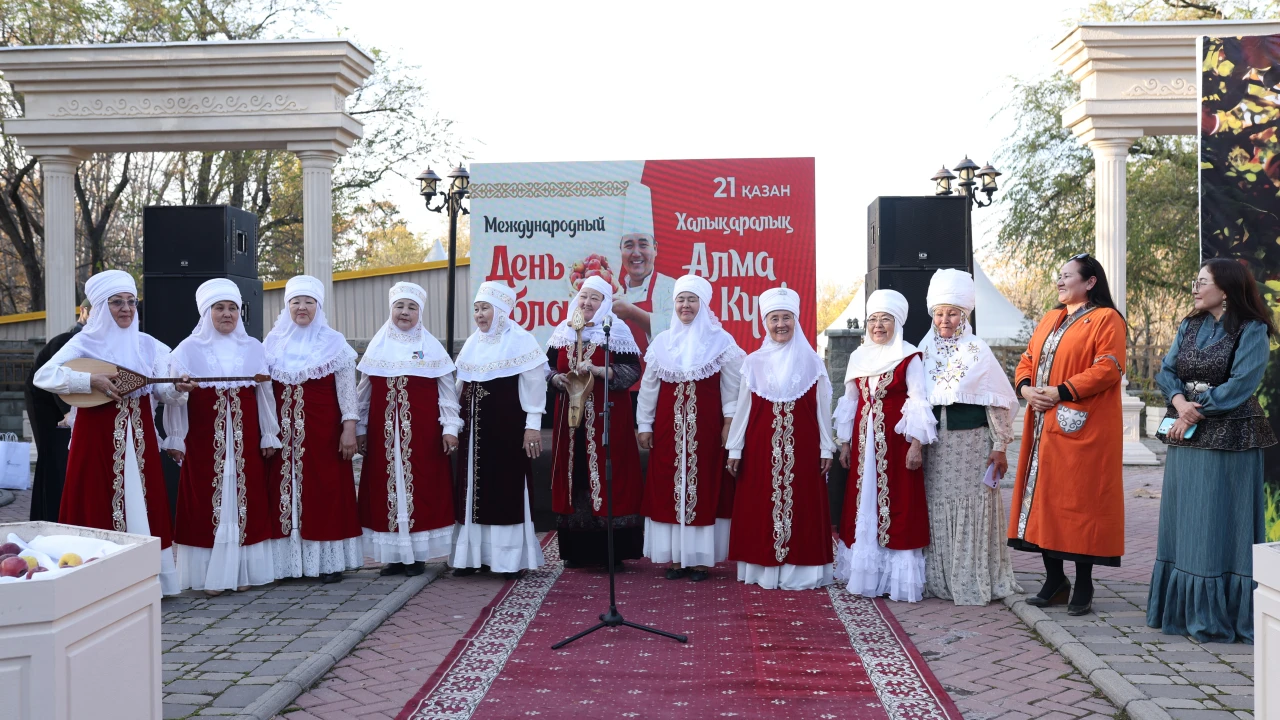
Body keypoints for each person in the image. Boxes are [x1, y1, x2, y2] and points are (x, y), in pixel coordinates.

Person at [1146, 258, 1277, 643]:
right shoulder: (1189, 325)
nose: (1195, 288)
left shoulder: (1252, 330)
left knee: (1219, 521)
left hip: (1232, 441)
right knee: (1185, 520)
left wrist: (1193, 411)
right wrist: (1178, 402)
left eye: (1203, 282)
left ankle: (1220, 615)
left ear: (1226, 288)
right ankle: (1183, 611)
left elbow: (1241, 384)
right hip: (1185, 440)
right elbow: (1167, 370)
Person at [33, 269, 181, 595]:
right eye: (117, 302)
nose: (126, 309)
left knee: (142, 502)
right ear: (100, 307)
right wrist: (88, 381)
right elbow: (43, 376)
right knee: (95, 497)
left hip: (139, 438)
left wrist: (179, 386)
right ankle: (97, 581)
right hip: (95, 437)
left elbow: (165, 391)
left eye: (131, 302)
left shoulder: (147, 345)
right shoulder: (85, 342)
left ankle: (147, 580)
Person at [1009, 253, 1127, 616]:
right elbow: (1028, 359)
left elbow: (1108, 368)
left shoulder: (1106, 319)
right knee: (1045, 498)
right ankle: (1055, 580)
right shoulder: (1049, 318)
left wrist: (1061, 391)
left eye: (1067, 276)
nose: (1059, 282)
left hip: (1083, 424)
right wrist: (1027, 389)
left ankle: (1085, 584)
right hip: (1044, 424)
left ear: (1090, 282)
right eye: (1058, 276)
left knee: (1080, 500)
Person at [163, 279, 280, 595]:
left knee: (245, 496)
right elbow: (175, 397)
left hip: (244, 437)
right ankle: (209, 575)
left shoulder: (254, 348)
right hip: (204, 438)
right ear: (206, 312)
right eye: (219, 308)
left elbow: (265, 395)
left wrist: (269, 433)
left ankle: (241, 571)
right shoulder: (187, 350)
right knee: (207, 497)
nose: (227, 314)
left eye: (232, 308)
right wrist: (175, 437)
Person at [917, 270, 1022, 605]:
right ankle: (941, 578)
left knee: (973, 509)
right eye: (940, 313)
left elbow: (998, 402)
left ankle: (971, 577)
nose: (945, 320)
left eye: (952, 313)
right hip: (938, 447)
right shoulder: (924, 349)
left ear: (964, 315)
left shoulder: (977, 350)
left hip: (973, 445)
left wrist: (1000, 446)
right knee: (938, 508)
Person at [725, 286, 835, 590]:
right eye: (774, 318)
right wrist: (735, 447)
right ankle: (763, 570)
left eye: (786, 318)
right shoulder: (753, 361)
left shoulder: (812, 361)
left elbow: (822, 407)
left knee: (803, 504)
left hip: (803, 444)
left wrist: (827, 445)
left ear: (796, 320)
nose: (780, 325)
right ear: (765, 322)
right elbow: (743, 408)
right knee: (760, 503)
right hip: (761, 446)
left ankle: (801, 572)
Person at [637, 275, 745, 581]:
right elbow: (649, 388)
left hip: (707, 430)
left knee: (704, 486)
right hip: (667, 431)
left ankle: (699, 561)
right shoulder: (662, 342)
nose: (686, 306)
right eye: (681, 300)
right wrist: (644, 424)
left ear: (704, 304)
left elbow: (732, 387)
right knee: (668, 486)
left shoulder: (721, 341)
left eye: (692, 299)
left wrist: (729, 422)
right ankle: (675, 558)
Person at [834, 289, 936, 602]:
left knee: (899, 503)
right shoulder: (858, 357)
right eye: (873, 320)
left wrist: (916, 444)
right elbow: (851, 401)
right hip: (864, 447)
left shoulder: (910, 356)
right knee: (863, 504)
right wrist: (844, 443)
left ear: (897, 323)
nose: (878, 326)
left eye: (885, 320)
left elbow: (919, 400)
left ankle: (895, 579)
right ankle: (866, 574)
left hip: (895, 444)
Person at [355, 282, 460, 578]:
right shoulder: (377, 349)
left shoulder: (432, 349)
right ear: (391, 311)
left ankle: (416, 557)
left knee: (421, 489)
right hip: (382, 437)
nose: (405, 312)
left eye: (412, 307)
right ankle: (395, 557)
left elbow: (447, 393)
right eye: (400, 306)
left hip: (423, 437)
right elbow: (363, 395)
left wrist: (450, 428)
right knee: (387, 491)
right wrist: (360, 429)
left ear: (420, 313)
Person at [263, 275, 363, 584]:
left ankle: (328, 563)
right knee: (281, 491)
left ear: (318, 307)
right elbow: (263, 393)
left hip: (323, 433)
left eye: (308, 302)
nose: (302, 308)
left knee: (325, 490)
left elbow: (348, 391)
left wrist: (349, 429)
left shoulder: (335, 343)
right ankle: (287, 565)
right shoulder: (271, 343)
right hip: (282, 435)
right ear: (287, 306)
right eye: (296, 302)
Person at [451, 281, 549, 579]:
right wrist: (452, 423)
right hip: (473, 435)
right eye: (477, 309)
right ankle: (472, 558)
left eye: (485, 309)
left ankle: (507, 561)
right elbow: (460, 387)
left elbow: (534, 388)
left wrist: (532, 428)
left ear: (503, 312)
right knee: (471, 492)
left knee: (505, 491)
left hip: (507, 432)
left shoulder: (522, 342)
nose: (479, 315)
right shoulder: (472, 343)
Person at [547, 275, 646, 569]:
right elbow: (547, 367)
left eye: (595, 298)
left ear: (605, 303)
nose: (587, 303)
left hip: (608, 419)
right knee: (574, 475)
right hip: (570, 419)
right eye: (584, 296)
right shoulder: (563, 331)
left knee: (606, 475)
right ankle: (576, 550)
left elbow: (632, 372)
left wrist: (600, 371)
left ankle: (611, 552)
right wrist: (556, 378)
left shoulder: (616, 330)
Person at [25, 302, 89, 522]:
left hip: (68, 407)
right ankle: (51, 517)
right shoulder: (65, 341)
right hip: (48, 407)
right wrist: (67, 413)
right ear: (84, 311)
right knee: (54, 461)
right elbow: (55, 380)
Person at [612, 183, 676, 356]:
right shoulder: (613, 290)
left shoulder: (670, 287)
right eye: (629, 245)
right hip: (619, 379)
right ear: (620, 250)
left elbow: (675, 330)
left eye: (643, 244)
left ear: (655, 248)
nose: (636, 253)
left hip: (659, 378)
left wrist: (632, 312)